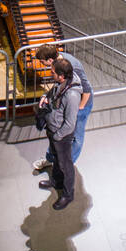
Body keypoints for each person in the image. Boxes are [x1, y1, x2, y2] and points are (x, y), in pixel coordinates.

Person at [31, 44, 92, 171]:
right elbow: (59, 84)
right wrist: (46, 95)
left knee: (76, 137)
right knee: (60, 136)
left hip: (80, 103)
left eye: (42, 62)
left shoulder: (72, 65)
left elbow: (86, 89)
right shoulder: (58, 64)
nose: (42, 65)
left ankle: (66, 165)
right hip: (68, 102)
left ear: (50, 60)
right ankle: (51, 160)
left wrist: (79, 108)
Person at [38, 57, 82, 210]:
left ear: (61, 75)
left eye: (53, 72)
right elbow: (54, 91)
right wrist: (45, 97)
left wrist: (57, 136)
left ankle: (68, 195)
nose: (51, 74)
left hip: (61, 135)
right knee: (57, 159)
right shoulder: (62, 83)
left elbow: (70, 124)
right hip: (54, 130)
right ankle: (56, 181)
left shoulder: (72, 95)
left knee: (66, 165)